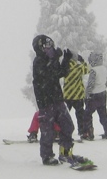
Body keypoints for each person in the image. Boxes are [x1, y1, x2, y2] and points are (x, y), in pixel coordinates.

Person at [31, 34, 78, 165]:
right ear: (40, 47)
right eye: (46, 45)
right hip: (46, 102)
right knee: (48, 131)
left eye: (51, 45)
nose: (50, 48)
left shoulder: (51, 59)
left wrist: (66, 60)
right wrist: (54, 58)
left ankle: (65, 153)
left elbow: (59, 73)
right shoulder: (39, 61)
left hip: (57, 99)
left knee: (67, 126)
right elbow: (46, 75)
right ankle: (47, 156)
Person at [84, 52, 107, 140]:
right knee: (103, 114)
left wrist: (87, 94)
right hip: (103, 94)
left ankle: (89, 133)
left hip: (94, 95)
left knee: (87, 114)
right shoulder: (104, 69)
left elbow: (91, 84)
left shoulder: (94, 70)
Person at [63, 52, 90, 140]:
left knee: (64, 115)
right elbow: (87, 70)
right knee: (80, 114)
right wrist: (83, 61)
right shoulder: (78, 67)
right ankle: (82, 131)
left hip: (67, 95)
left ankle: (61, 131)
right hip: (78, 95)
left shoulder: (65, 67)